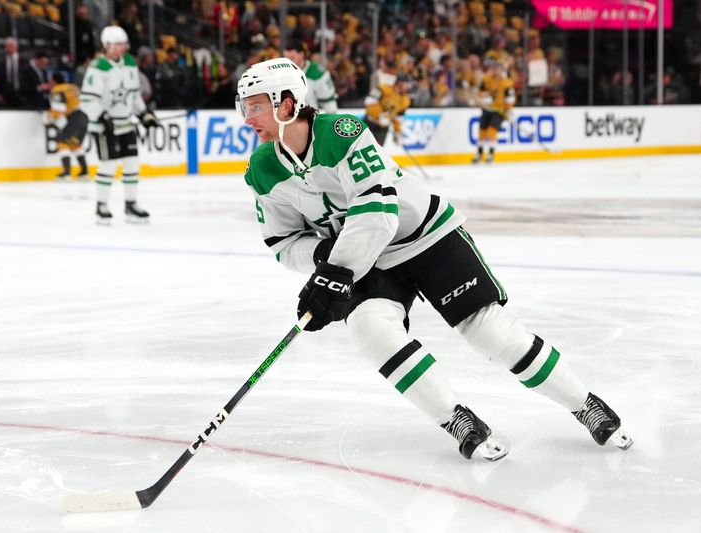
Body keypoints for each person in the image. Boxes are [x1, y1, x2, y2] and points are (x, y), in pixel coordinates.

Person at [236, 57, 633, 462]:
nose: (247, 118)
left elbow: (378, 213)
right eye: (243, 107)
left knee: (489, 332)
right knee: (371, 330)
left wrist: (337, 272)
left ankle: (584, 403)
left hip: (425, 234)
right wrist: (322, 258)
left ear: (286, 104)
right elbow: (284, 243)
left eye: (254, 106)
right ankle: (456, 419)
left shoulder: (343, 132)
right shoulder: (262, 169)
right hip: (362, 257)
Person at [80, 25, 158, 224]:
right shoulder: (97, 67)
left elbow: (133, 95)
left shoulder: (130, 63)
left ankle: (131, 204)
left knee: (132, 163)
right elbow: (87, 100)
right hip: (105, 127)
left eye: (124, 43)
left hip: (125, 124)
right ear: (107, 45)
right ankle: (101, 206)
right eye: (119, 44)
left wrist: (143, 114)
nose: (123, 47)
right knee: (108, 164)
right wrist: (101, 116)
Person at [47, 72, 89, 180]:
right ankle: (84, 172)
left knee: (62, 142)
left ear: (54, 80)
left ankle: (66, 172)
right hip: (84, 116)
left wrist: (50, 117)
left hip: (74, 118)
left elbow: (58, 108)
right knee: (75, 144)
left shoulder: (57, 89)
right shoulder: (73, 87)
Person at [472, 59, 515, 164]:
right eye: (494, 69)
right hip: (487, 109)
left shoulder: (507, 83)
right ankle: (479, 153)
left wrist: (509, 110)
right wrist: (485, 96)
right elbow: (480, 92)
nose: (496, 71)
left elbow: (510, 98)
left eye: (498, 69)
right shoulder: (487, 79)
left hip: (498, 111)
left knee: (491, 132)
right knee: (482, 133)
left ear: (502, 71)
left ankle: (490, 154)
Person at [283, 39, 338, 113]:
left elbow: (330, 106)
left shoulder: (318, 74)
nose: (288, 61)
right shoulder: (281, 73)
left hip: (311, 120)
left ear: (301, 54)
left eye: (292, 58)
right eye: (286, 58)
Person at [363, 68, 411, 147]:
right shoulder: (384, 89)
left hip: (383, 128)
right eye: (407, 84)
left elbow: (398, 117)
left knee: (377, 151)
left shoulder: (405, 100)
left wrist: (397, 132)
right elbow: (369, 101)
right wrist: (378, 117)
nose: (408, 87)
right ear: (400, 83)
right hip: (370, 122)